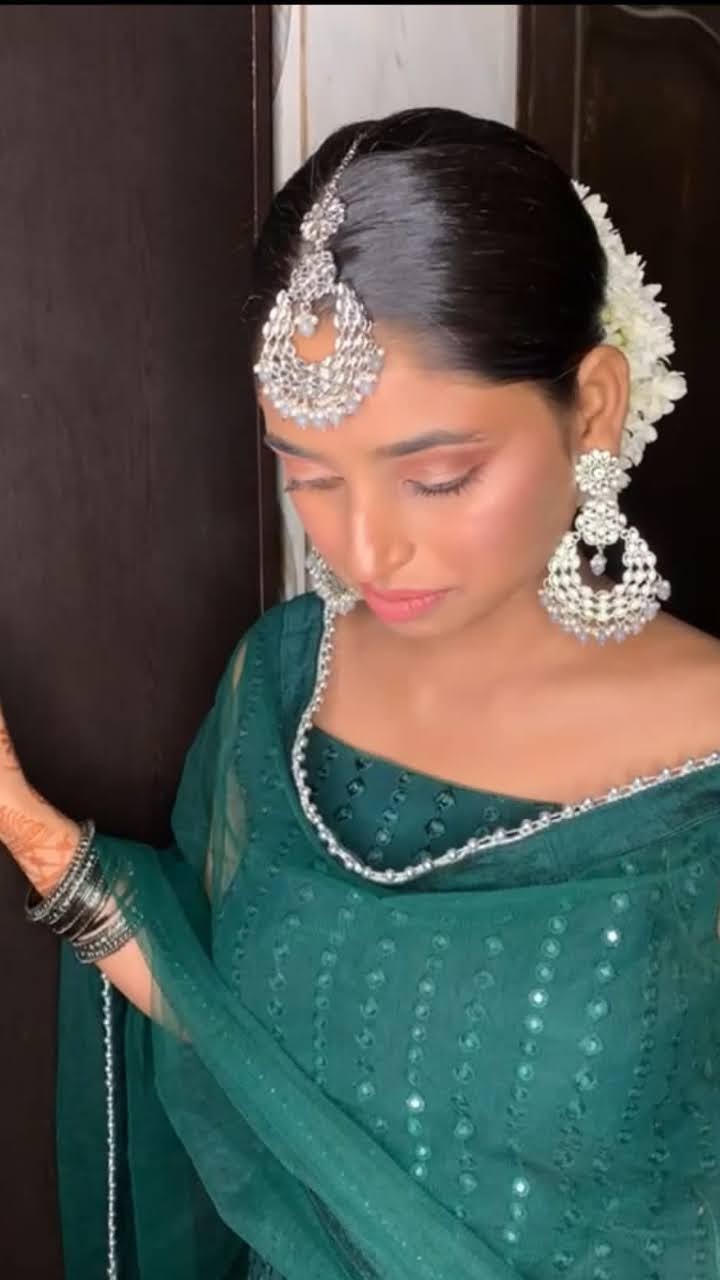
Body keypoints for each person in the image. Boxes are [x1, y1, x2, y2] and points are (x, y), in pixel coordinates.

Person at [2, 108, 719, 1280]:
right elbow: (228, 1030)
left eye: (438, 477)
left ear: (591, 406)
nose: (367, 547)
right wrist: (26, 825)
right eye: (310, 475)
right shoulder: (283, 685)